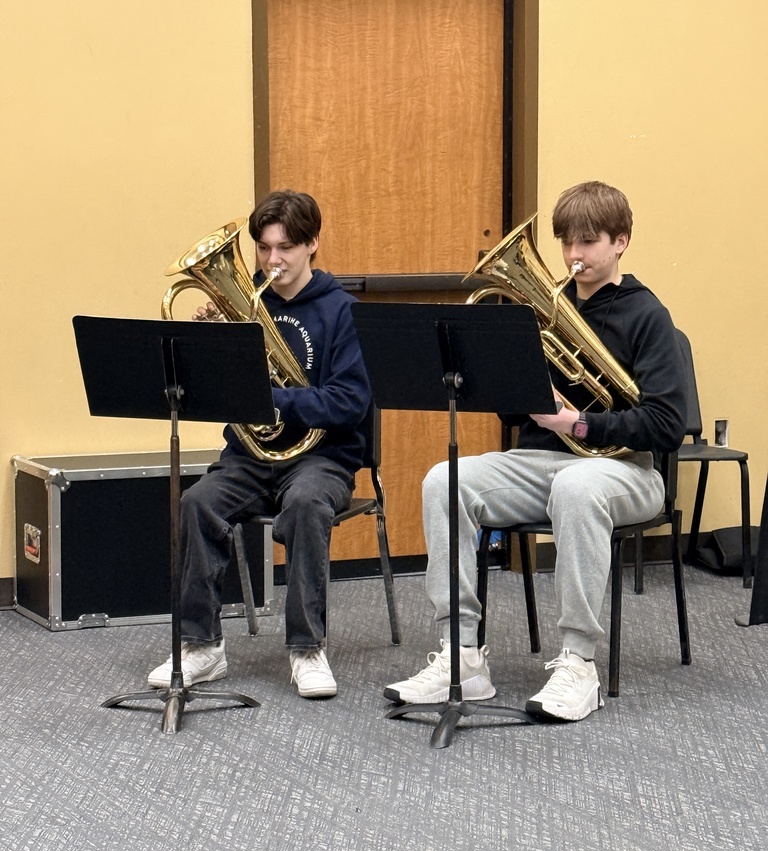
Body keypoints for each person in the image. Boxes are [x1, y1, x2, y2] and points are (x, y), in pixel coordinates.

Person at [383, 181, 687, 721]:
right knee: (443, 478)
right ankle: (462, 658)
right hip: (543, 462)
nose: (573, 256)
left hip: (627, 470)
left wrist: (582, 422)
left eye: (588, 242)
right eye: (566, 241)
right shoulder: (546, 312)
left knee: (577, 484)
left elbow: (668, 423)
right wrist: (506, 380)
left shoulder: (648, 316)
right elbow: (512, 415)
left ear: (621, 241)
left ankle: (579, 663)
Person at [149, 190, 371, 698]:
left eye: (286, 247)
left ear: (313, 243)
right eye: (264, 248)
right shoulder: (241, 302)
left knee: (308, 504)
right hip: (250, 457)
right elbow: (217, 396)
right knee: (197, 502)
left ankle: (307, 649)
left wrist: (273, 399)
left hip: (323, 457)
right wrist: (209, 352)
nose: (273, 260)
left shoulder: (343, 313)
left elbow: (349, 403)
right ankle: (201, 646)